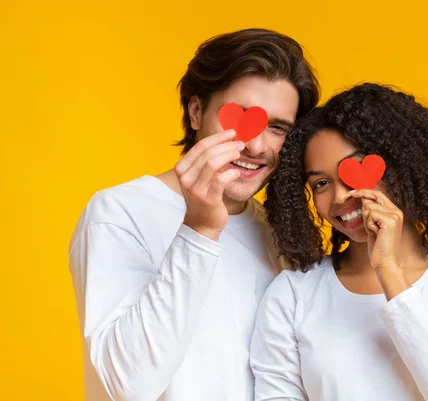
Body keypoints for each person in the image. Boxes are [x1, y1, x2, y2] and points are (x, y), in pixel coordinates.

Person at [68, 28, 319, 401]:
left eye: (277, 128)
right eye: (242, 117)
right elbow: (128, 387)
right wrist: (199, 230)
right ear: (197, 110)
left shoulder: (274, 230)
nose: (255, 145)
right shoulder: (119, 212)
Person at [251, 83, 428, 401]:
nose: (339, 197)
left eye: (355, 170)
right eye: (321, 183)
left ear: (402, 164)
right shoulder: (293, 294)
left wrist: (389, 271)